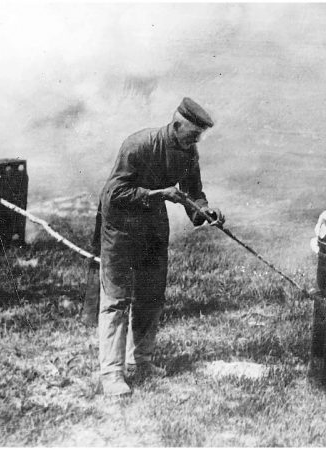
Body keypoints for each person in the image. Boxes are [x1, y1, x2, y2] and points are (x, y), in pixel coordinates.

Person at [97, 97, 224, 396]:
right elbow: (114, 193)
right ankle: (112, 373)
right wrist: (159, 194)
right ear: (177, 125)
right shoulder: (138, 145)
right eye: (193, 134)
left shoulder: (189, 152)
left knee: (151, 296)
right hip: (121, 227)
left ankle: (141, 360)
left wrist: (205, 213)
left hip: (152, 227)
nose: (197, 141)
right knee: (116, 300)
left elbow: (193, 192)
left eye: (199, 137)